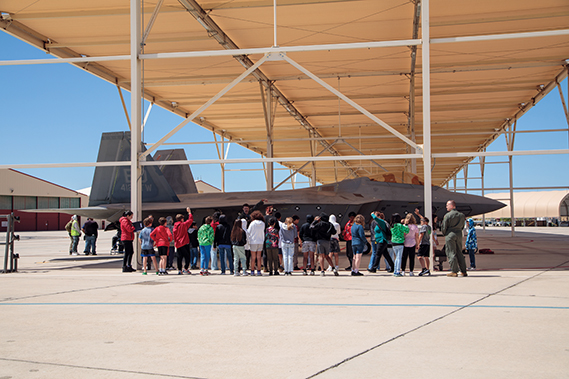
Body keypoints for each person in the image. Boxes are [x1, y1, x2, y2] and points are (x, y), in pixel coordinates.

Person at [441, 200, 467, 277]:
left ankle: (454, 270)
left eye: (447, 205)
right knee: (459, 252)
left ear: (452, 206)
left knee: (451, 252)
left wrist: (445, 233)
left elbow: (444, 226)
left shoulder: (448, 215)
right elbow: (462, 226)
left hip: (450, 234)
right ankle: (463, 270)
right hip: (459, 234)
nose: (446, 207)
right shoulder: (461, 215)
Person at [173, 207, 194, 275]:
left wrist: (175, 242)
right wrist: (189, 212)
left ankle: (179, 269)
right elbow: (190, 220)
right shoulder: (184, 225)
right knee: (187, 256)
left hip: (178, 243)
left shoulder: (175, 226)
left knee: (179, 257)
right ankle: (186, 268)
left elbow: (174, 235)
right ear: (182, 219)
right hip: (185, 242)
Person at [248, 210, 266, 276]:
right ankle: (259, 271)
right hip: (260, 241)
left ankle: (252, 271)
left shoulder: (252, 223)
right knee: (259, 257)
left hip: (253, 241)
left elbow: (248, 232)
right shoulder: (263, 223)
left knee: (253, 257)